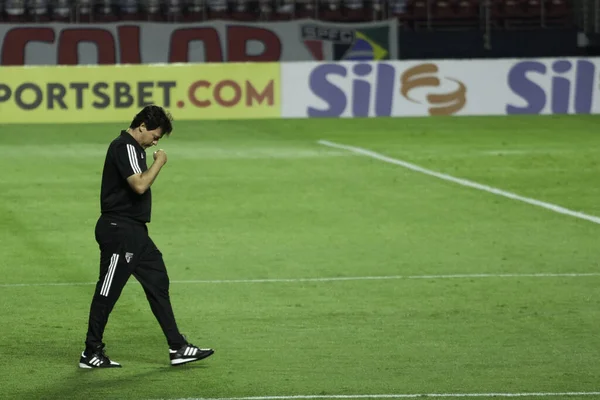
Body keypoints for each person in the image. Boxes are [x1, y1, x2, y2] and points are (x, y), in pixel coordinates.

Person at [79, 105, 214, 368]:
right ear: (142, 125)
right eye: (155, 135)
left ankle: (178, 347)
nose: (155, 141)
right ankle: (90, 352)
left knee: (158, 281)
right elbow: (139, 185)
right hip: (120, 230)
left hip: (135, 232)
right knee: (108, 290)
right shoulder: (125, 146)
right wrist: (160, 163)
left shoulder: (134, 148)